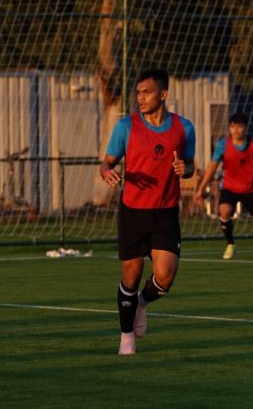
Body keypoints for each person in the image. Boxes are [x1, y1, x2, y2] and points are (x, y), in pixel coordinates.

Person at [99, 68, 196, 355]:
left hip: (165, 213)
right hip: (133, 211)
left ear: (163, 95)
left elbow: (190, 165)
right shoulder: (126, 127)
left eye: (147, 92)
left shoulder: (184, 128)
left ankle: (141, 303)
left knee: (165, 277)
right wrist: (107, 172)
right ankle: (126, 336)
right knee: (132, 273)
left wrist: (185, 169)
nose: (140, 98)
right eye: (138, 92)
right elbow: (106, 163)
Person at [194, 111, 253, 260]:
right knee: (224, 211)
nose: (236, 130)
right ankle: (231, 244)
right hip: (229, 188)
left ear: (246, 128)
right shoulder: (223, 145)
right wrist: (201, 188)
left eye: (240, 127)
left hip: (251, 188)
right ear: (229, 128)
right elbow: (212, 168)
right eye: (233, 126)